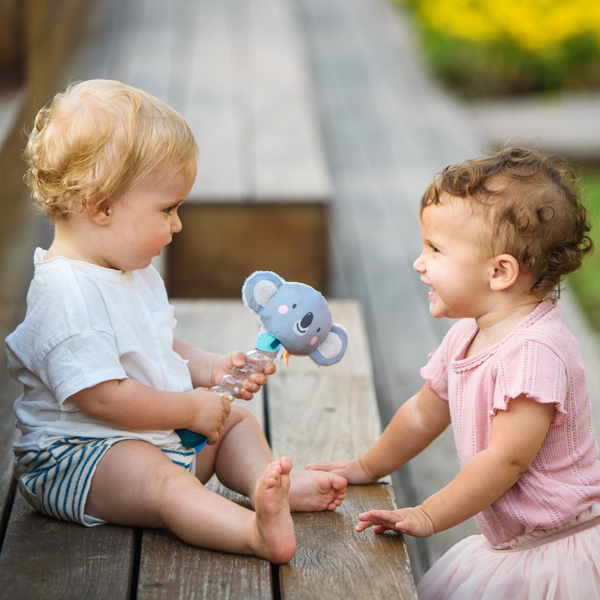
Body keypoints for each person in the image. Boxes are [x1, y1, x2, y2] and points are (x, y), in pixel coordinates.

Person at [5, 79, 347, 564]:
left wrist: (208, 368)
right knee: (162, 483)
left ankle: (265, 486)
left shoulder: (127, 268)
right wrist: (188, 411)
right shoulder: (66, 294)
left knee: (233, 422)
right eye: (167, 209)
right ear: (100, 206)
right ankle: (251, 533)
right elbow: (102, 396)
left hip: (159, 435)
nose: (178, 224)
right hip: (79, 459)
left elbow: (155, 344)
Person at [307, 147, 600, 597]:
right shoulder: (468, 333)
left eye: (435, 249)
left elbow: (506, 459)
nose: (419, 263)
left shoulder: (535, 351)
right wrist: (367, 465)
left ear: (500, 271)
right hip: (515, 544)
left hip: (557, 555)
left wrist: (428, 514)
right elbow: (423, 414)